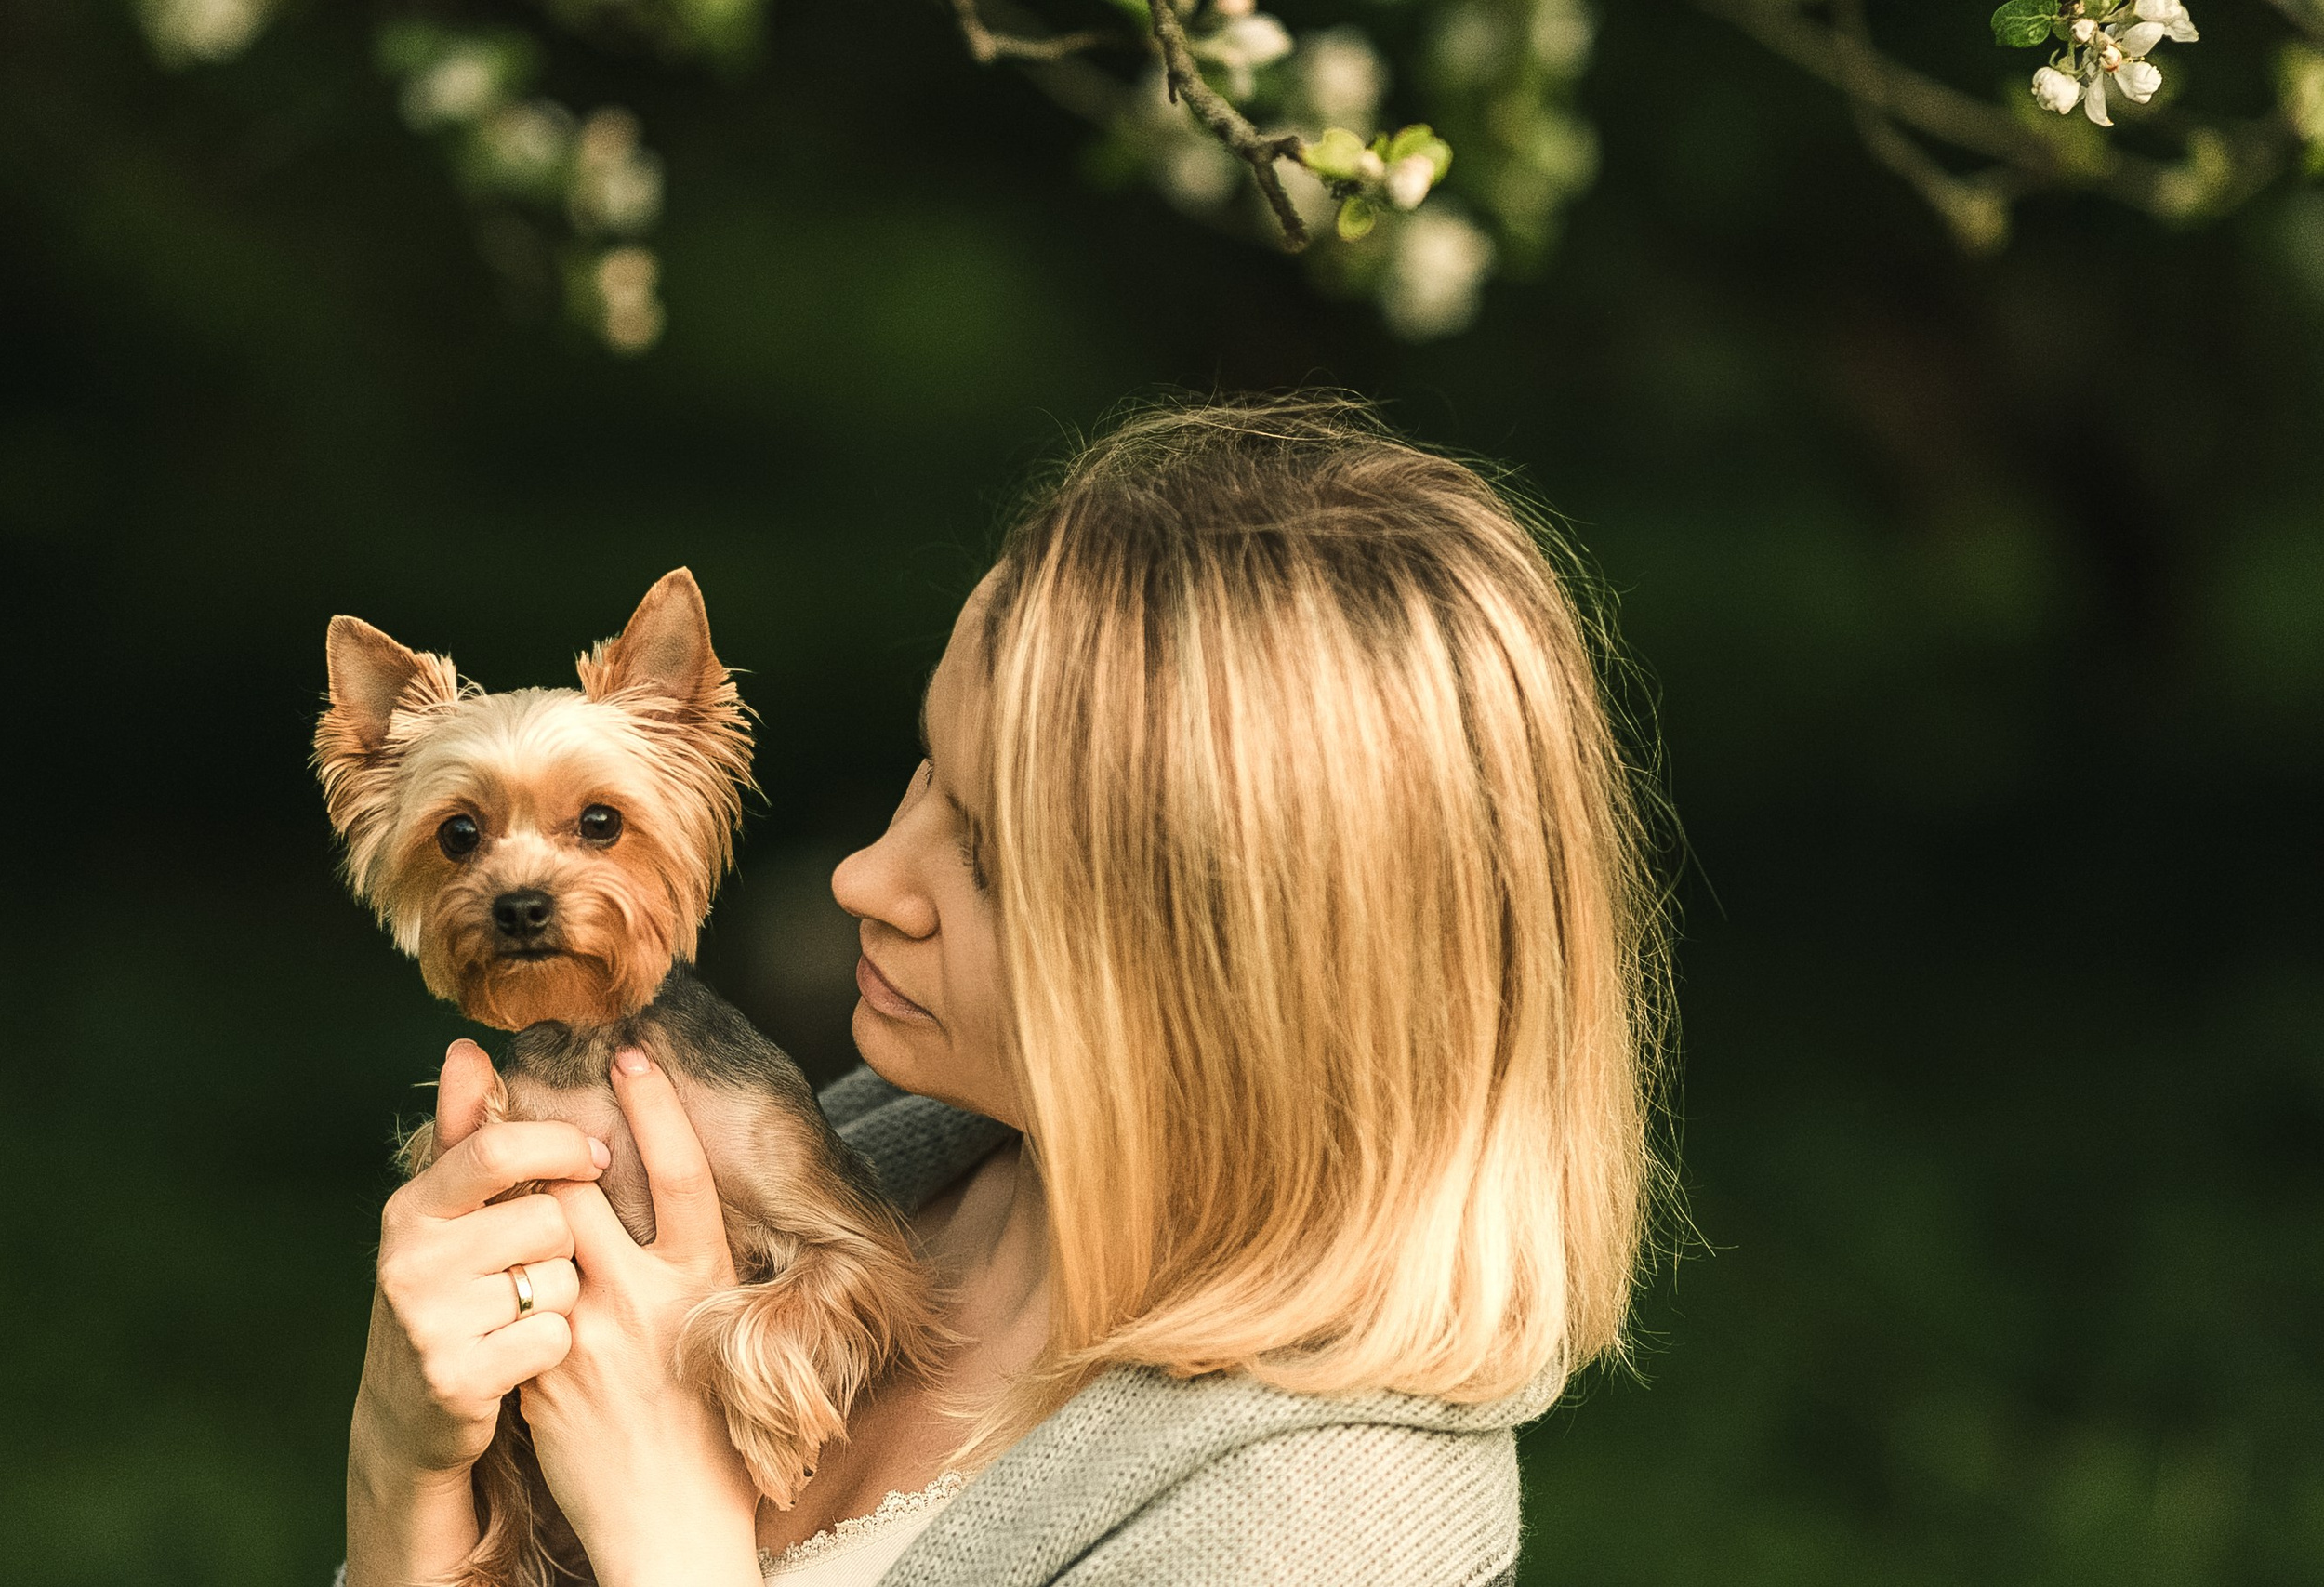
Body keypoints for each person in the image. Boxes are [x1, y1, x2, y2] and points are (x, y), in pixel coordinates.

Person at [343, 393, 1672, 1586]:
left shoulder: (1323, 1528)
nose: (865, 877)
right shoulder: (855, 1160)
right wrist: (401, 1478)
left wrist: (670, 1546)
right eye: (923, 770)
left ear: (1228, 961)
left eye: (982, 848)